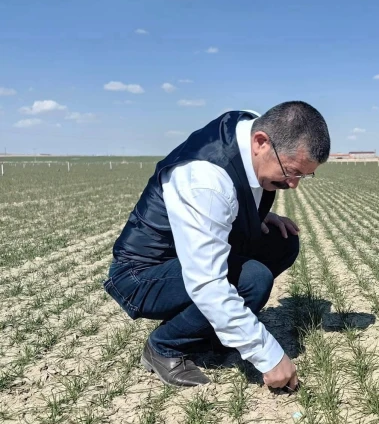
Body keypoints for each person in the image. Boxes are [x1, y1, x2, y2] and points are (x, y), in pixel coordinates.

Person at [102, 101, 330, 389]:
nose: (294, 184)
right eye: (291, 171)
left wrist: (258, 216)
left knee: (281, 241)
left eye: (303, 176)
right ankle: (164, 347)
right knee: (252, 279)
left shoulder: (253, 131)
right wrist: (268, 356)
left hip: (184, 256)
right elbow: (207, 282)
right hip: (142, 275)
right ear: (260, 143)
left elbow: (233, 197)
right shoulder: (206, 179)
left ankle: (212, 330)